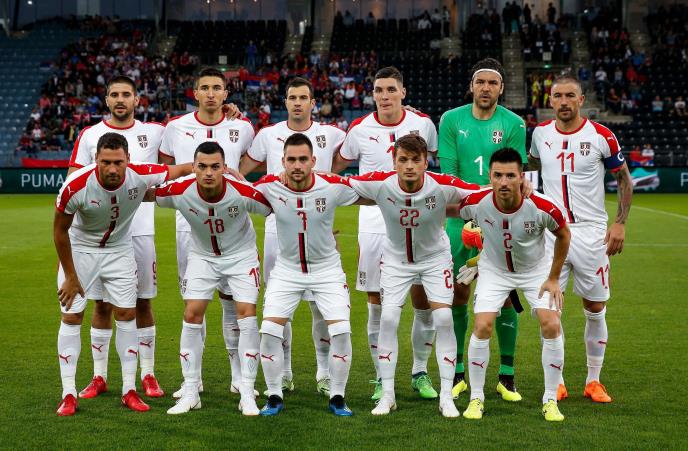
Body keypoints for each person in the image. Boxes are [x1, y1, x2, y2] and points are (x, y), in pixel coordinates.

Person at [54, 132, 190, 416]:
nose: (113, 169)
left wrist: (221, 170)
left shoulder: (141, 174)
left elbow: (181, 169)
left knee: (127, 314)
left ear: (128, 159)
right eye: (106, 162)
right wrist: (70, 276)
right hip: (81, 250)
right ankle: (68, 393)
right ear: (96, 159)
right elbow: (60, 231)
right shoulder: (75, 185)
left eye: (118, 162)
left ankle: (129, 389)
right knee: (72, 316)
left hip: (119, 250)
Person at [347, 134, 479, 417]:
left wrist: (521, 186)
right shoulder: (381, 182)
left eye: (416, 160)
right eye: (403, 159)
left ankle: (447, 396)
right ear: (394, 161)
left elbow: (481, 192)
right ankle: (388, 395)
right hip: (396, 261)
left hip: (434, 259)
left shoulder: (442, 184)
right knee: (388, 319)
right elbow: (338, 184)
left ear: (426, 162)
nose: (409, 166)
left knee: (443, 318)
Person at [332, 66, 441, 401]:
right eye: (379, 90)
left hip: (418, 221)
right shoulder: (359, 129)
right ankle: (382, 376)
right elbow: (334, 169)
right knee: (377, 302)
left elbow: (438, 164)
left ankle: (419, 372)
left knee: (423, 300)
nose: (385, 96)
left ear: (403, 92)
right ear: (372, 94)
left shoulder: (423, 124)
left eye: (391, 89)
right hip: (374, 224)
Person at [239, 77, 346, 396]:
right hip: (278, 232)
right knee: (279, 310)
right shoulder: (268, 135)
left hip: (318, 232)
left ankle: (323, 372)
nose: (297, 102)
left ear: (313, 102)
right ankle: (284, 373)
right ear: (285, 102)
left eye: (303, 97)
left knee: (320, 309)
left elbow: (362, 142)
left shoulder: (331, 134)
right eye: (292, 97)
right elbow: (242, 170)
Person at [529, 73, 633, 403]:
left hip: (591, 233)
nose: (563, 102)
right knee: (548, 309)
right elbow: (531, 169)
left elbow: (624, 179)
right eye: (557, 96)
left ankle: (593, 380)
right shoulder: (540, 134)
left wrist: (620, 223)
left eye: (569, 96)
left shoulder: (601, 136)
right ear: (550, 100)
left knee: (595, 306)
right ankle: (556, 382)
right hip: (552, 232)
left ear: (581, 100)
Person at [152, 142, 272, 415]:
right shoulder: (179, 190)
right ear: (193, 167)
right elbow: (143, 194)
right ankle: (191, 391)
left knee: (246, 315)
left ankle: (246, 391)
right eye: (202, 166)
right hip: (202, 256)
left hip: (241, 257)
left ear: (224, 168)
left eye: (215, 167)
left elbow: (275, 207)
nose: (208, 172)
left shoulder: (242, 192)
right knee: (192, 313)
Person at [159, 67, 255, 399]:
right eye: (205, 88)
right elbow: (168, 168)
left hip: (233, 227)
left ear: (226, 94)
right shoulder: (175, 127)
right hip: (189, 225)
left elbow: (247, 166)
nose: (211, 93)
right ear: (195, 93)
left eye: (217, 88)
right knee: (193, 304)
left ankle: (238, 375)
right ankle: (193, 379)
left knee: (232, 301)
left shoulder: (242, 127)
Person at [67, 76, 166, 399]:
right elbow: (74, 179)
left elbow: (184, 146)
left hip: (139, 230)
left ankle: (147, 373)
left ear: (137, 99)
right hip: (99, 237)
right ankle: (99, 376)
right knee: (101, 303)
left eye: (126, 94)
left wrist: (230, 112)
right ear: (107, 99)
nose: (120, 99)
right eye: (114, 94)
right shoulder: (90, 135)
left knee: (142, 301)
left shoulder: (155, 132)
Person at [458, 148, 571, 422]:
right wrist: (477, 257)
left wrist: (554, 277)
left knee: (551, 324)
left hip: (535, 271)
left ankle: (550, 399)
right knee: (482, 325)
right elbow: (452, 208)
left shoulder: (542, 206)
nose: (504, 182)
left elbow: (564, 234)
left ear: (522, 177)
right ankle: (476, 398)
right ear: (489, 176)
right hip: (494, 271)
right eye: (498, 175)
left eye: (510, 176)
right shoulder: (475, 202)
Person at [438, 58, 527, 401]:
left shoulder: (514, 124)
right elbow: (448, 176)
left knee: (505, 296)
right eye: (480, 82)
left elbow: (512, 176)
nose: (486, 88)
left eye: (492, 82)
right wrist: (472, 212)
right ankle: (459, 372)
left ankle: (507, 376)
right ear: (472, 86)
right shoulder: (451, 120)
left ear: (501, 88)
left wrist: (487, 212)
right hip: (459, 220)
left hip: (500, 221)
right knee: (458, 294)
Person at [254, 133, 361, 417]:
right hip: (287, 269)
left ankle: (337, 396)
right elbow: (240, 195)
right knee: (269, 330)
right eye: (291, 159)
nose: (297, 165)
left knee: (341, 331)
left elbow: (374, 192)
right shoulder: (269, 186)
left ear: (313, 160)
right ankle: (274, 395)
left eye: (303, 159)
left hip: (327, 270)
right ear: (283, 161)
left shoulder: (333, 185)